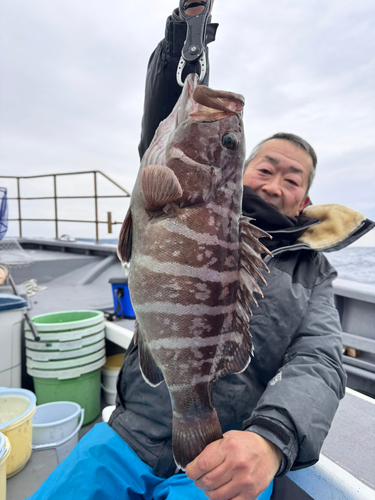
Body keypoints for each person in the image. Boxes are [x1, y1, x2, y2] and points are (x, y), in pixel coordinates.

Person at [27, 2, 374, 500]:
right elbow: (165, 122)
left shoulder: (313, 273)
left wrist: (271, 440)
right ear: (240, 174)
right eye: (263, 166)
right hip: (130, 434)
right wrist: (183, 36)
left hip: (230, 452)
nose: (275, 184)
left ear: (307, 200)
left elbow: (319, 360)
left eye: (292, 178)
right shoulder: (180, 184)